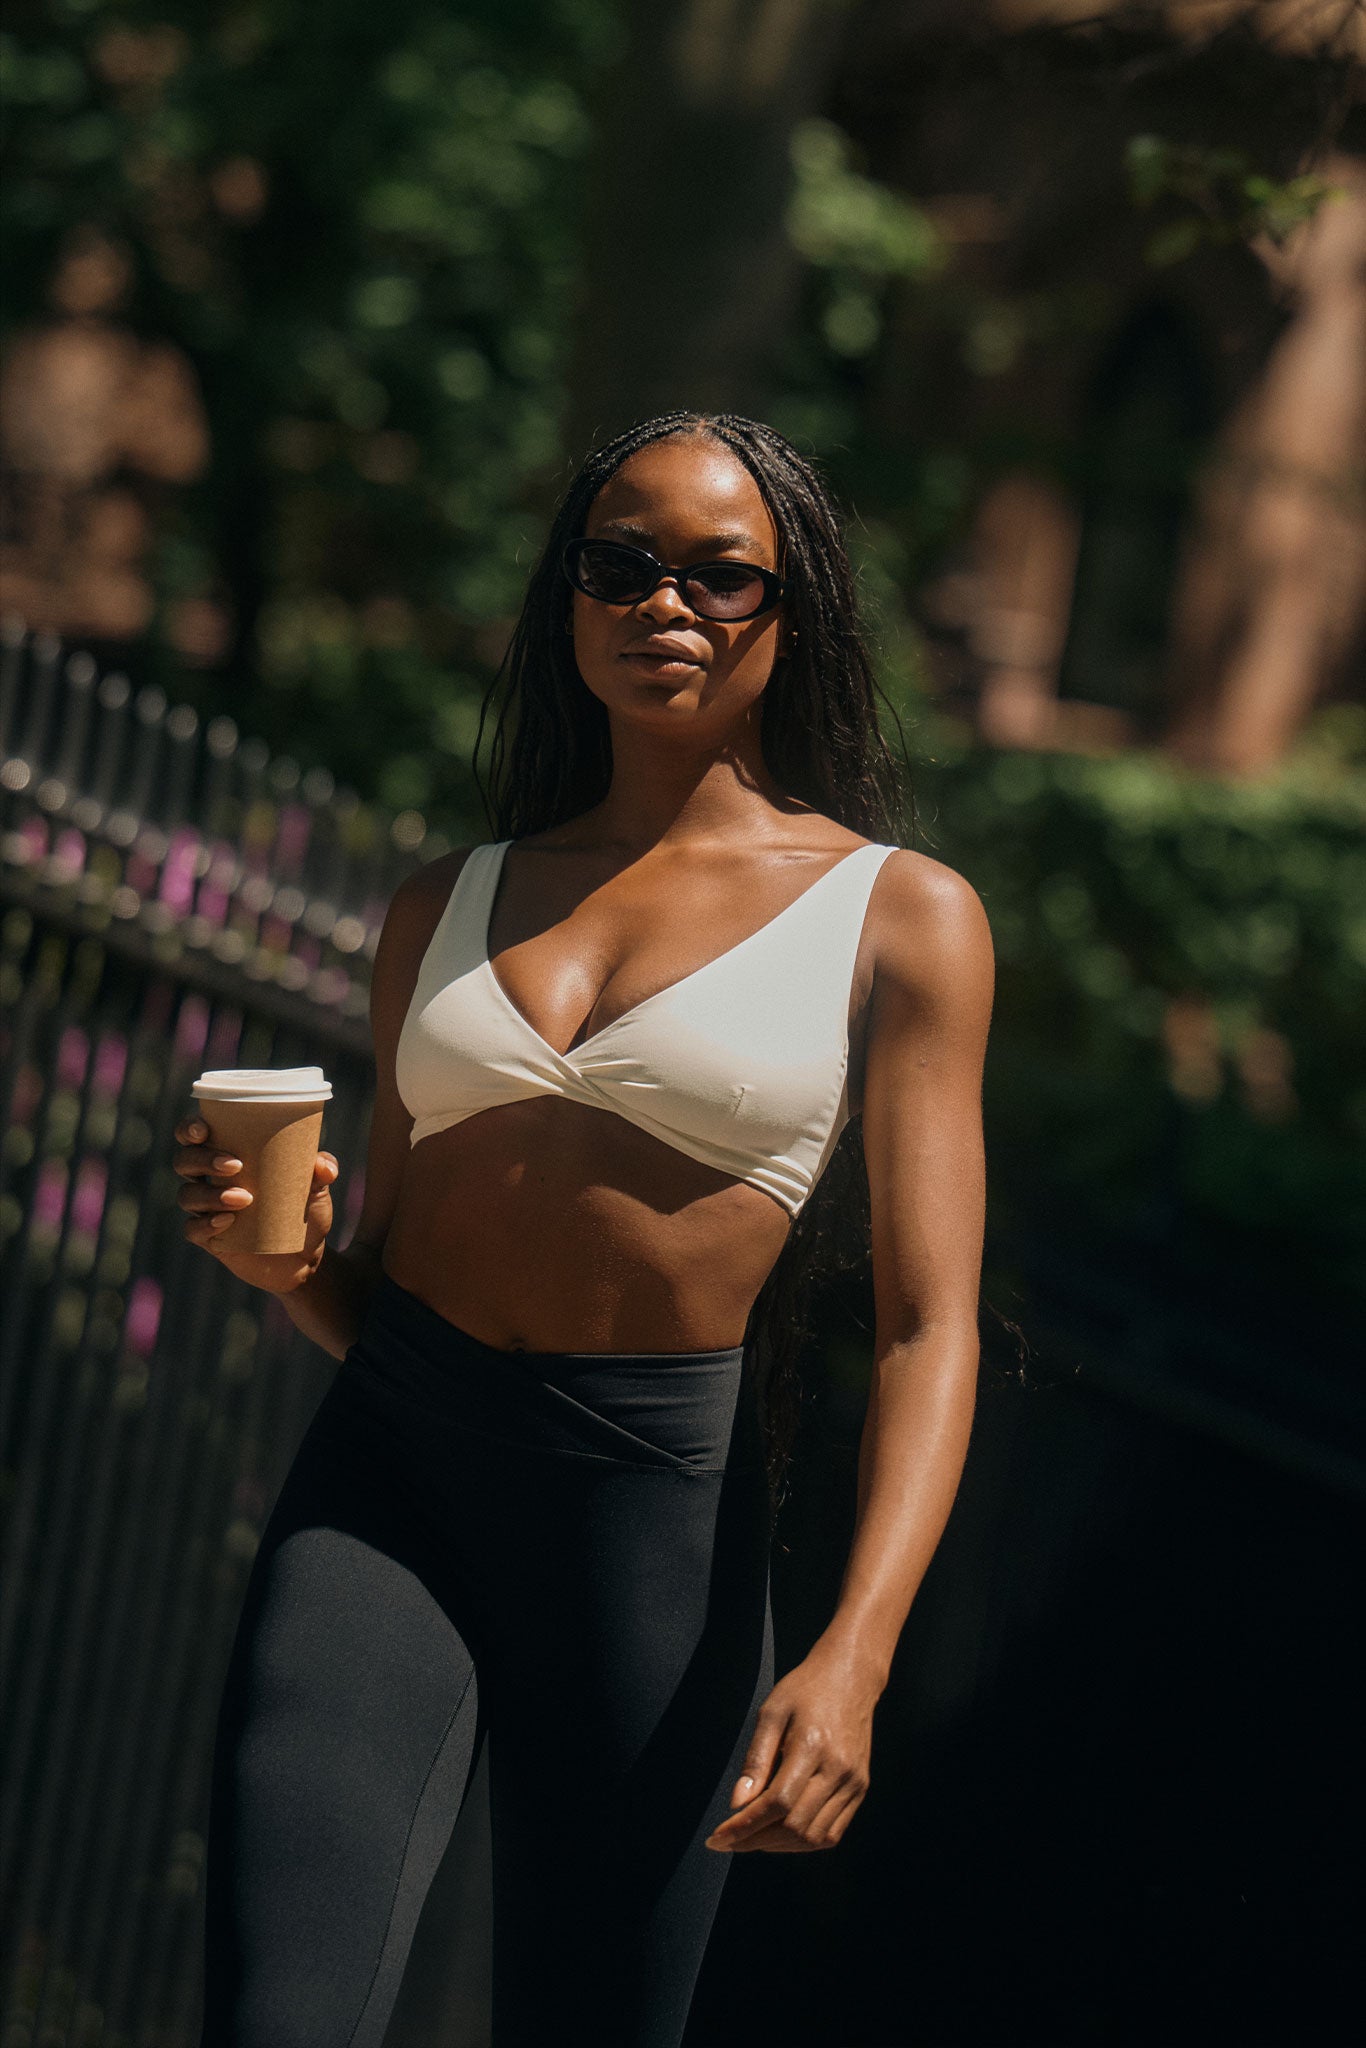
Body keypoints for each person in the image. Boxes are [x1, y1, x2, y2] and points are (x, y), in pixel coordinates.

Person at [172, 411, 995, 2047]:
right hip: (388, 1479)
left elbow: (925, 1325)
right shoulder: (449, 900)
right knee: (279, 2014)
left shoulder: (898, 916)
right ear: (566, 598)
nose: (661, 605)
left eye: (717, 577)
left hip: (649, 1534)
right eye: (617, 565)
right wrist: (282, 1268)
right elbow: (375, 1273)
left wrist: (856, 1655)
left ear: (794, 609)